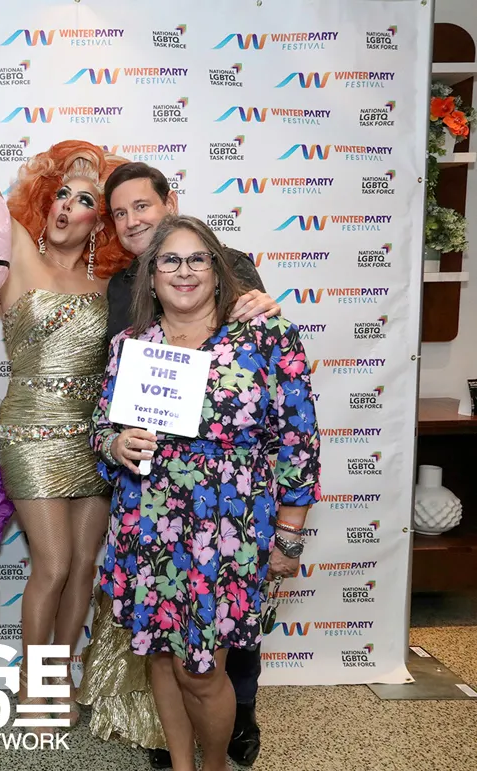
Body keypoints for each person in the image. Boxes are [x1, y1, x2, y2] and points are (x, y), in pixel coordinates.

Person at [0, 33, 132, 727]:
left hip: (96, 437)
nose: (68, 206)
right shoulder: (15, 248)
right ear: (45, 197)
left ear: (102, 217)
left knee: (86, 564)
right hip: (31, 433)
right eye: (61, 193)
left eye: (86, 199)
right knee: (54, 564)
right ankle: (36, 689)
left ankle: (61, 678)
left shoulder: (117, 282)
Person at [89, 215, 321, 771]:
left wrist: (289, 535)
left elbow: (299, 442)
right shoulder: (132, 345)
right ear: (151, 277)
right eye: (170, 260)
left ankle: (212, 765)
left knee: (201, 669)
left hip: (228, 530)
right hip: (148, 524)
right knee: (160, 658)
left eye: (198, 259)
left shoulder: (267, 337)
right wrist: (115, 443)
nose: (184, 271)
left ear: (218, 272)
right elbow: (100, 427)